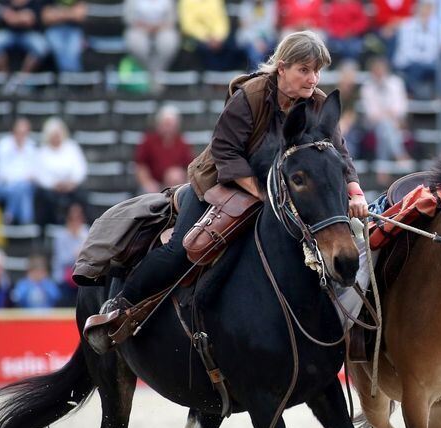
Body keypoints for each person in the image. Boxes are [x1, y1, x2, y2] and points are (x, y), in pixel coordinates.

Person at [85, 31, 367, 351]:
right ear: (282, 68)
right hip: (222, 183)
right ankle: (121, 306)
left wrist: (354, 190)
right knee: (185, 247)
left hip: (282, 192)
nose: (313, 78)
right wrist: (261, 192)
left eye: (317, 71)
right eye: (305, 70)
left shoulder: (317, 102)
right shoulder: (251, 95)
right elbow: (225, 152)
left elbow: (339, 154)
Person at [360, 56, 410, 186]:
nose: (379, 73)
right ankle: (400, 154)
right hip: (374, 124)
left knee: (385, 130)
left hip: (396, 123)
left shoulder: (396, 83)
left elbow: (401, 108)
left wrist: (389, 115)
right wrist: (387, 114)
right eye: (376, 70)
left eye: (381, 70)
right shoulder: (367, 87)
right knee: (384, 126)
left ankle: (382, 169)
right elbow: (372, 114)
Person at [34, 116, 87, 226]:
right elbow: (39, 175)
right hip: (52, 190)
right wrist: (53, 184)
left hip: (71, 188)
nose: (56, 137)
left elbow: (80, 169)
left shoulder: (72, 147)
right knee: (43, 198)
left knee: (83, 196)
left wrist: (72, 183)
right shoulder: (42, 152)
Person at [134, 105, 193, 194]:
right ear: (159, 124)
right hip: (155, 185)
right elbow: (140, 166)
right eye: (166, 124)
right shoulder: (148, 141)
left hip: (176, 185)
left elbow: (190, 166)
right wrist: (147, 183)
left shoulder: (182, 142)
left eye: (171, 125)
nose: (168, 128)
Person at [0, 0, 49, 79]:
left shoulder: (35, 2)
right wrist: (20, 17)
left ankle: (22, 80)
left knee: (40, 46)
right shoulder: (4, 2)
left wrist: (14, 17)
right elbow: (6, 17)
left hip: (29, 33)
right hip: (8, 32)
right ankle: (4, 79)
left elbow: (30, 19)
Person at [123, 0, 179, 86]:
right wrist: (144, 26)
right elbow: (128, 17)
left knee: (169, 41)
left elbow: (172, 18)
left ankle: (155, 75)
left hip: (162, 28)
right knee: (136, 42)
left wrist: (159, 27)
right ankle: (152, 76)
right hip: (139, 28)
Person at [0, 117, 36, 224]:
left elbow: (34, 172)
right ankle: (26, 223)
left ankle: (10, 214)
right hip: (3, 186)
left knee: (23, 188)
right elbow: (2, 173)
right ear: (13, 131)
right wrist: (20, 179)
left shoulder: (31, 146)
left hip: (25, 186)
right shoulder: (3, 145)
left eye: (24, 133)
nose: (21, 136)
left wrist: (21, 180)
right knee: (22, 190)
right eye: (19, 132)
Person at [392, 0, 438, 98]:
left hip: (426, 64)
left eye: (430, 9)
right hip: (407, 64)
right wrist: (423, 60)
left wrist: (425, 60)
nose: (427, 12)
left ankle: (433, 99)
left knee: (439, 71)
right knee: (416, 69)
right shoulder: (407, 25)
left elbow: (433, 52)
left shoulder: (434, 29)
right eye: (425, 8)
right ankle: (416, 97)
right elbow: (407, 51)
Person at [178, 0, 241, 71]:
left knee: (233, 47)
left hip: (217, 38)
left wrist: (218, 37)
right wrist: (207, 37)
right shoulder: (186, 2)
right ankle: (212, 77)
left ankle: (224, 76)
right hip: (196, 38)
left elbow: (221, 21)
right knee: (203, 50)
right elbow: (188, 26)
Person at [41, 0, 86, 72]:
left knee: (72, 50)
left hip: (73, 30)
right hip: (54, 30)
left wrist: (58, 13)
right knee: (58, 47)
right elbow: (46, 18)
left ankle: (69, 78)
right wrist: (70, 13)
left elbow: (79, 16)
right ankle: (68, 78)